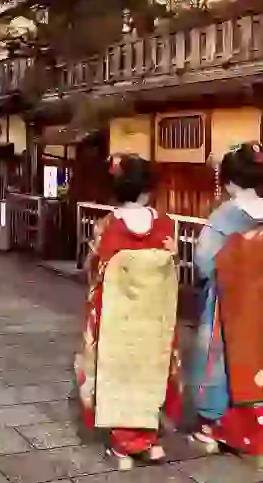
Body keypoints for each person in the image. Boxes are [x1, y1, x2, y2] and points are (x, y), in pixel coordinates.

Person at [188, 142, 263, 469]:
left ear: (230, 180)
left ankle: (218, 428)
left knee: (221, 363)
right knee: (259, 361)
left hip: (231, 305)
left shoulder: (225, 215)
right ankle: (257, 436)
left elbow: (204, 263)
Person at [75, 153, 183, 470]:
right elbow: (172, 266)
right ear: (148, 190)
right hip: (154, 314)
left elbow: (94, 270)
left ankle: (124, 445)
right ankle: (148, 439)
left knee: (118, 369)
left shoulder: (107, 226)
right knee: (151, 365)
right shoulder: (165, 224)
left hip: (117, 317)